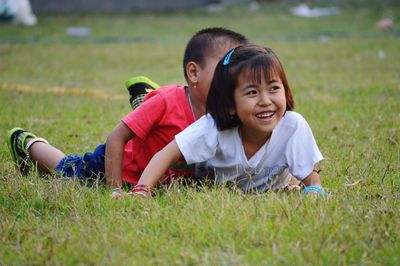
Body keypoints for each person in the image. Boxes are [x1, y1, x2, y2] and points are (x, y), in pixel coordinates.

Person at [6, 27, 249, 198]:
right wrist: (115, 189)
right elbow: (116, 138)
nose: (233, 81)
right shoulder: (169, 103)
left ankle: (145, 101)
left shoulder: (229, 111)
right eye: (224, 72)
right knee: (67, 169)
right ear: (194, 73)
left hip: (163, 175)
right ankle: (27, 143)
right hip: (114, 168)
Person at [129, 44, 325, 198]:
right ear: (230, 104)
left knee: (293, 176)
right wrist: (141, 191)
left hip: (278, 184)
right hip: (204, 177)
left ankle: (291, 179)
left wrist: (312, 194)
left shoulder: (293, 125)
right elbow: (167, 153)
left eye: (274, 88)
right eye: (252, 92)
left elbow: (313, 182)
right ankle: (148, 96)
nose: (266, 101)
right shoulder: (213, 126)